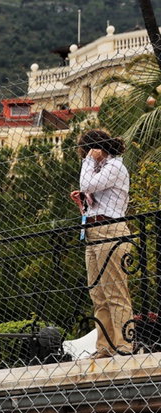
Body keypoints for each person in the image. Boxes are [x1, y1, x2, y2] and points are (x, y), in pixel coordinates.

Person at [70, 128, 133, 357]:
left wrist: (88, 161)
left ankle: (124, 345)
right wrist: (84, 204)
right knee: (98, 294)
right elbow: (91, 192)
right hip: (92, 232)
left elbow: (86, 184)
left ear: (96, 149)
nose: (85, 155)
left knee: (115, 291)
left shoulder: (114, 166)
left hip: (110, 231)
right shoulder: (99, 170)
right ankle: (105, 346)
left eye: (87, 151)